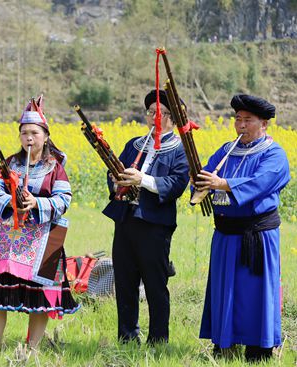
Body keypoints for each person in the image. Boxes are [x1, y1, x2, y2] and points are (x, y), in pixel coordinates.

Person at [0, 95, 79, 349]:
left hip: (40, 241)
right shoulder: (9, 163)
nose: (29, 138)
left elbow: (64, 198)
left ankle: (33, 348)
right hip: (7, 240)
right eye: (24, 133)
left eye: (34, 133)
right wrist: (10, 201)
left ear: (45, 136)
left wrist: (35, 203)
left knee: (39, 294)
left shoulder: (55, 168)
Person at [195, 94, 290, 362]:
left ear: (264, 124)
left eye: (248, 120)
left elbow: (262, 181)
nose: (241, 126)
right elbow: (205, 176)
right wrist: (200, 183)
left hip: (257, 235)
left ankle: (258, 348)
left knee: (255, 291)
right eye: (238, 120)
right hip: (225, 235)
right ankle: (224, 344)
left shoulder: (274, 154)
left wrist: (222, 184)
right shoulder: (225, 151)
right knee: (225, 289)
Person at [103, 89, 189, 344]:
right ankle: (127, 338)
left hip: (155, 225)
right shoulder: (133, 145)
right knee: (125, 282)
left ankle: (158, 340)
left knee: (155, 285)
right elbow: (115, 173)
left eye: (163, 114)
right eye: (152, 112)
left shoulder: (180, 150)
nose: (156, 118)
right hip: (126, 220)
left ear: (174, 119)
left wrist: (144, 180)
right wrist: (116, 180)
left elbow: (177, 184)